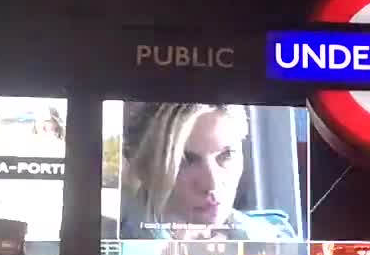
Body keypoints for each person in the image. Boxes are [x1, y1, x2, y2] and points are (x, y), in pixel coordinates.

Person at [120, 103, 296, 241]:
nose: (211, 184)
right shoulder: (111, 253)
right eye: (184, 161)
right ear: (145, 167)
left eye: (227, 155)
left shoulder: (277, 237)